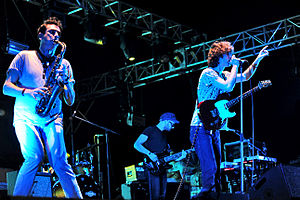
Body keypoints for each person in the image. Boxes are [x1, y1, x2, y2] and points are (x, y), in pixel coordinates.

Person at [2, 17, 82, 198]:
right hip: (25, 117)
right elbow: (6, 87)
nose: (56, 36)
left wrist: (66, 84)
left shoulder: (64, 64)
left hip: (53, 117)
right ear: (40, 35)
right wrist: (28, 92)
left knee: (61, 162)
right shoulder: (23, 56)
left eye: (58, 34)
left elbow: (70, 101)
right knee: (34, 158)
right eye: (51, 32)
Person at [190, 41, 269, 196]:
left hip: (214, 127)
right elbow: (228, 86)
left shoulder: (224, 74)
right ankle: (206, 196)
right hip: (199, 127)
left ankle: (215, 195)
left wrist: (258, 59)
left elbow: (245, 76)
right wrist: (234, 65)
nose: (231, 56)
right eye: (229, 54)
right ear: (219, 56)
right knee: (210, 168)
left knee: (217, 168)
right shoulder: (208, 73)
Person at [134, 112, 186, 200]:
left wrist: (179, 158)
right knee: (155, 196)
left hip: (162, 169)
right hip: (152, 167)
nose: (173, 127)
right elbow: (137, 144)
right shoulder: (150, 130)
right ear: (166, 121)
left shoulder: (164, 136)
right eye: (172, 123)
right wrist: (149, 154)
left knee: (162, 196)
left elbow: (165, 158)